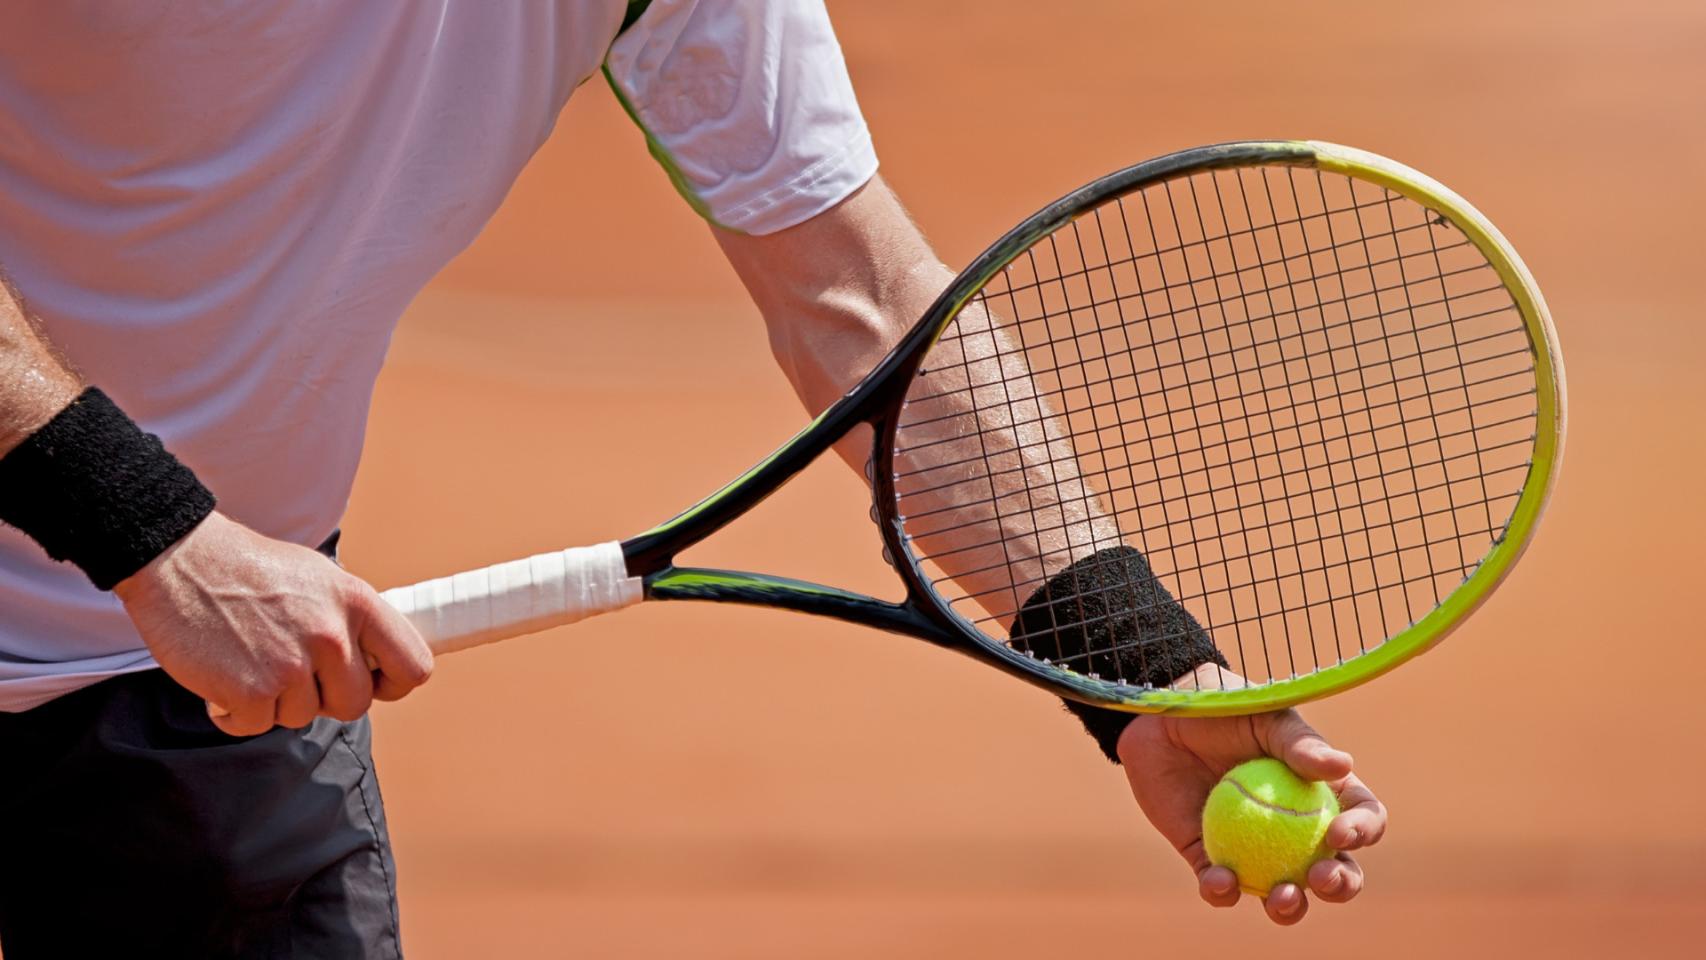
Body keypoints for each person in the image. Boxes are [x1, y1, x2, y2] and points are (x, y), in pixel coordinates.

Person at [0, 1, 1386, 956]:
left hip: (218, 685)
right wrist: (152, 531)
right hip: (189, 585)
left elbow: (855, 296)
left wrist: (1127, 659)